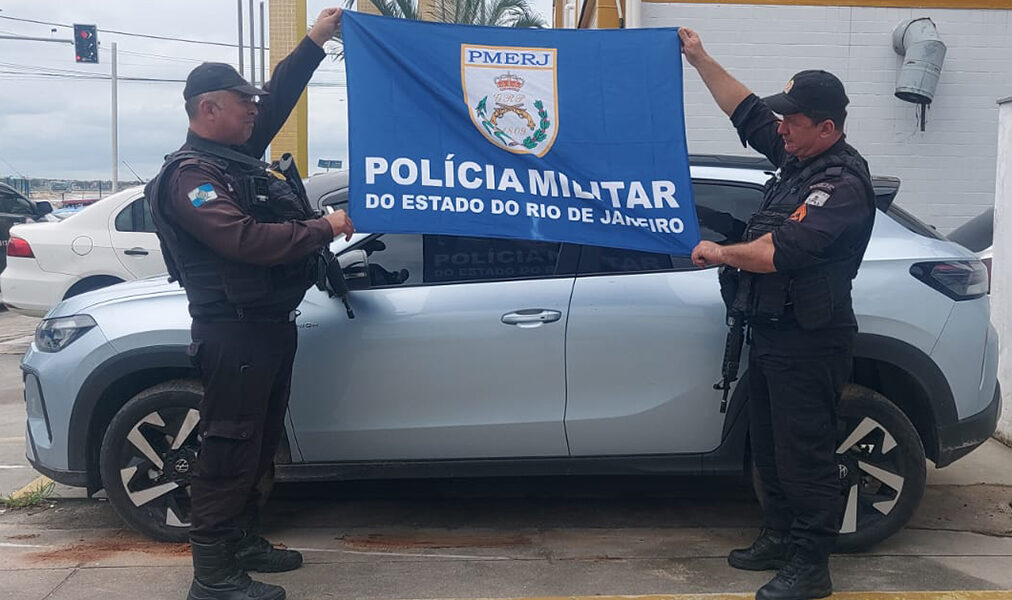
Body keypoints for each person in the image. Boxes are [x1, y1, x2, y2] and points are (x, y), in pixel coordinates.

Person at [144, 8, 355, 600]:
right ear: (209, 109)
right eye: (243, 103)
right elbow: (243, 241)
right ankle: (212, 575)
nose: (255, 111)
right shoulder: (193, 176)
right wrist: (326, 225)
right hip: (232, 331)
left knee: (259, 442)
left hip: (265, 327)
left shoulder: (232, 158)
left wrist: (316, 39)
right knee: (230, 445)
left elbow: (281, 95)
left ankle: (241, 539)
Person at [680, 28, 876, 600]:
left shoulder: (839, 184)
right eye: (782, 118)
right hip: (772, 333)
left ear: (827, 128)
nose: (781, 127)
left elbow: (777, 252)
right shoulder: (797, 158)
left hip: (810, 340)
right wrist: (699, 58)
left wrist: (718, 252)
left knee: (806, 453)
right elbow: (744, 110)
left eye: (792, 120)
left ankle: (812, 566)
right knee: (767, 447)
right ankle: (782, 536)